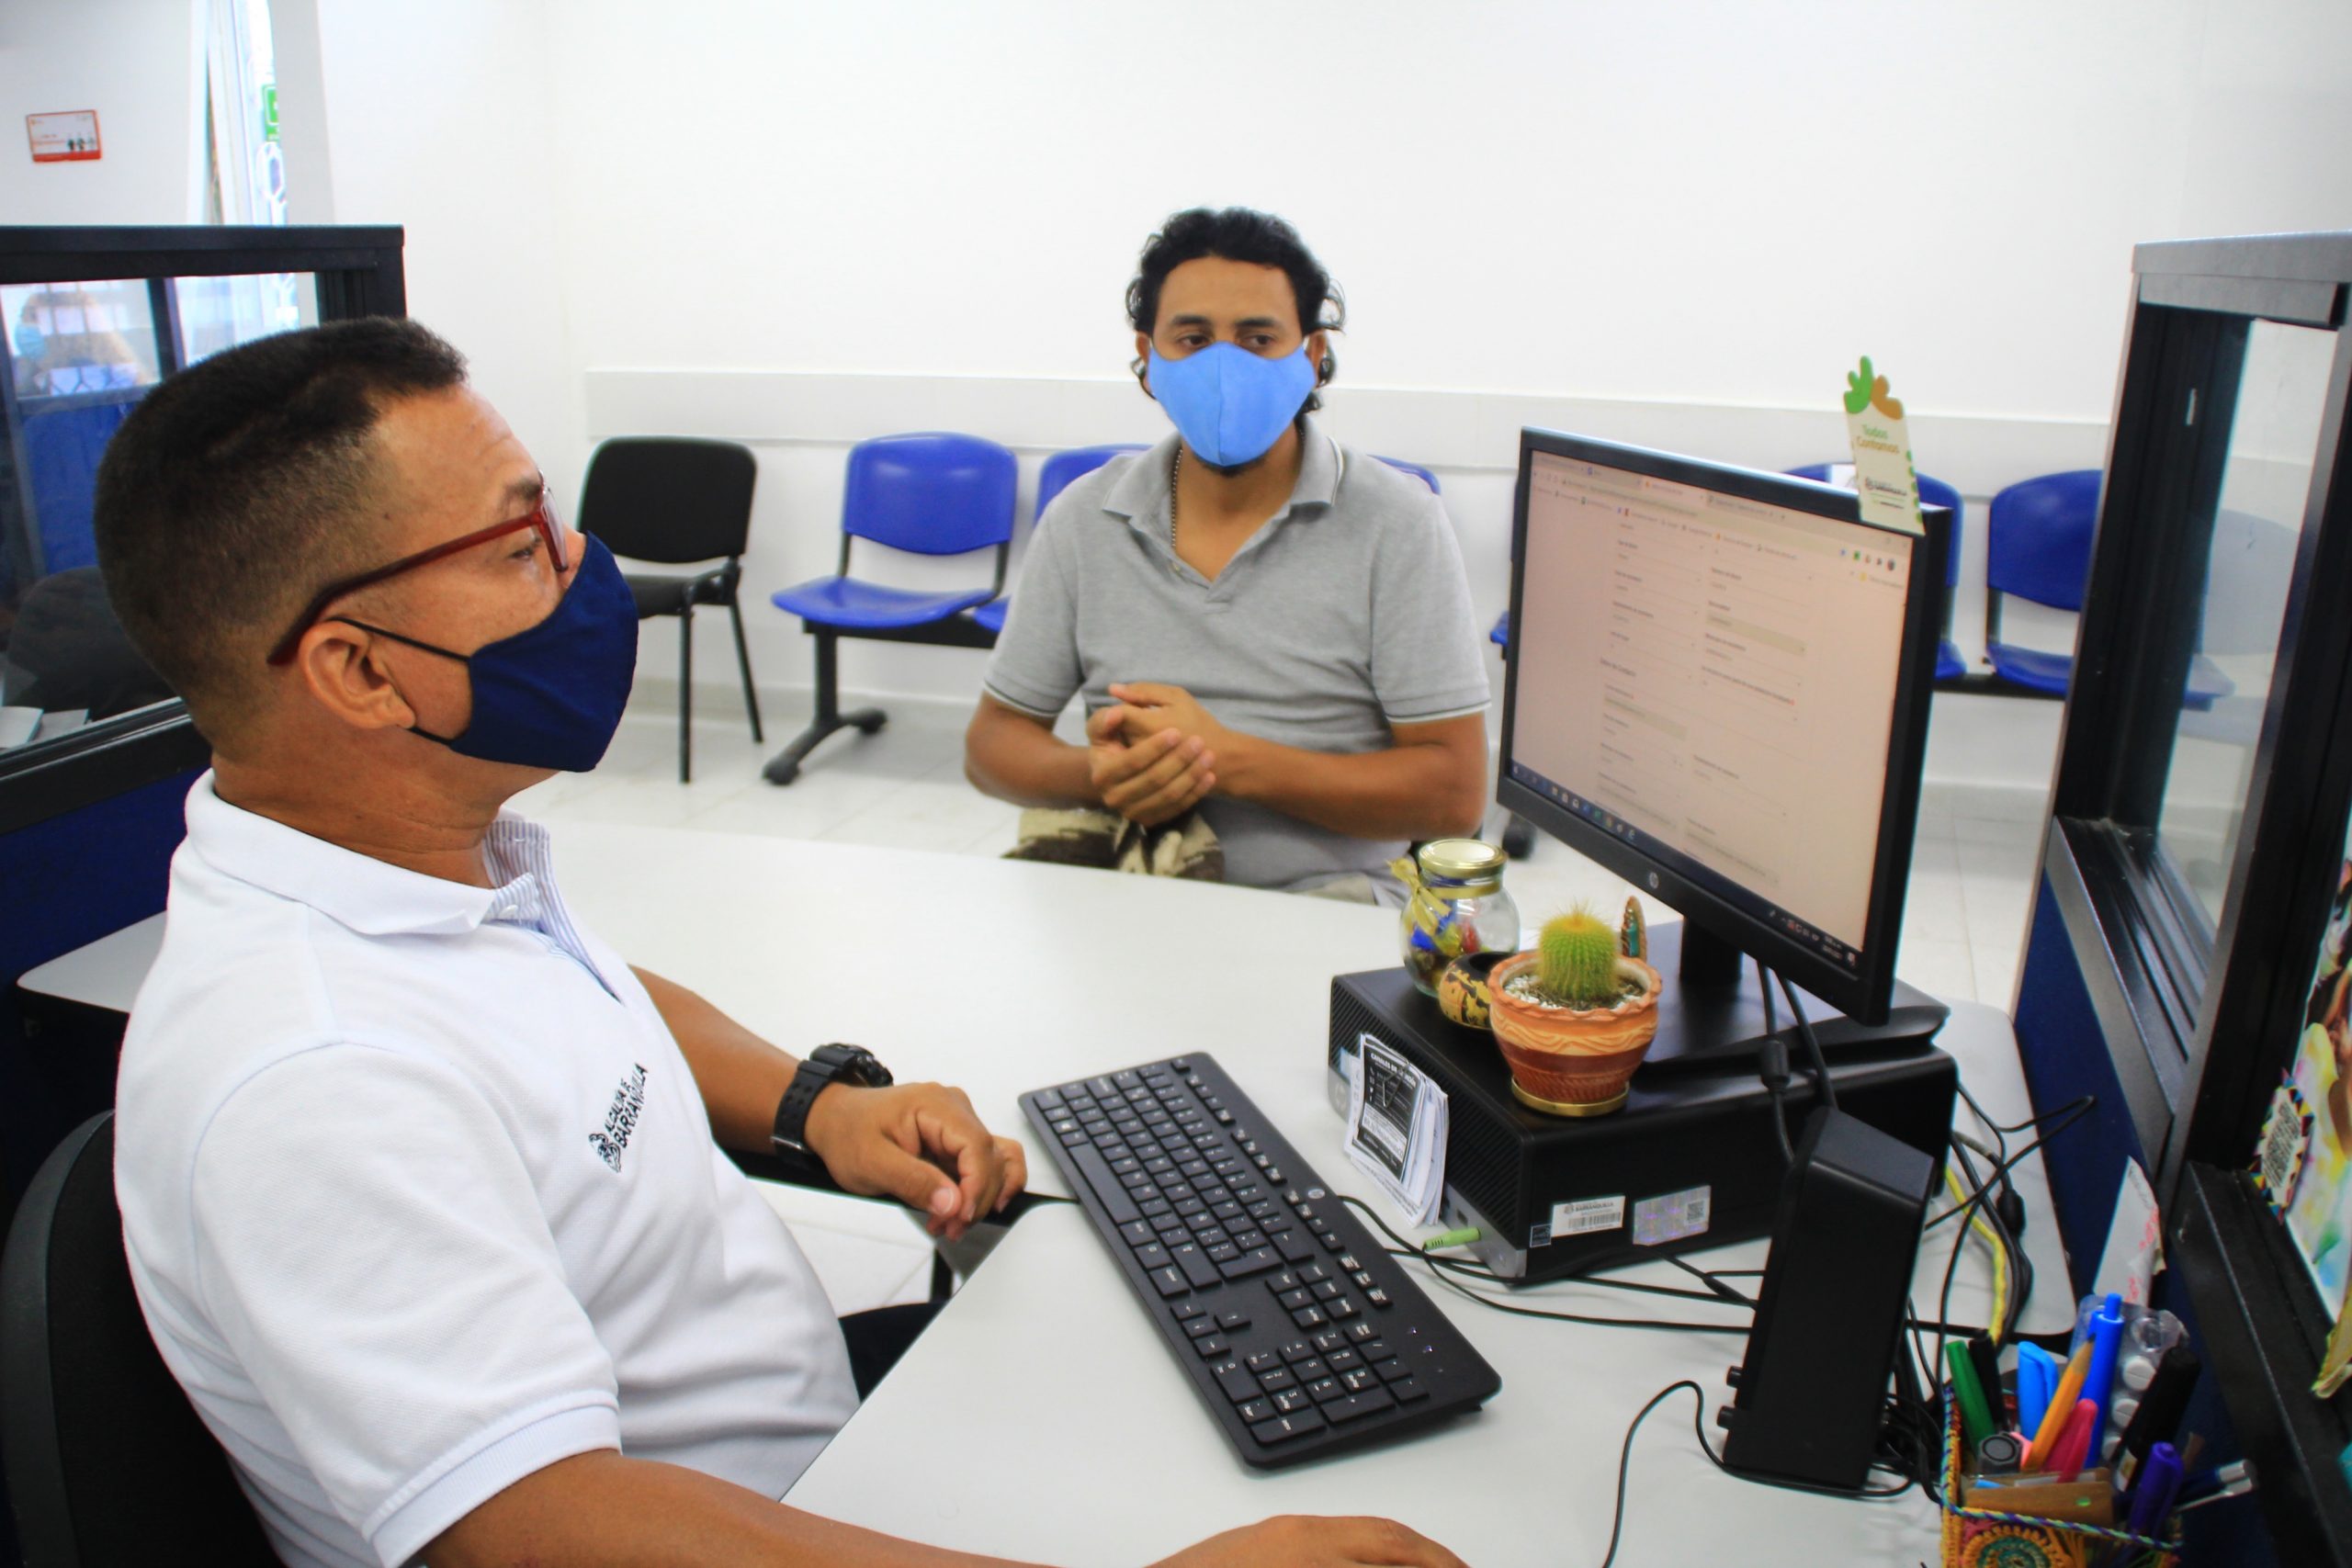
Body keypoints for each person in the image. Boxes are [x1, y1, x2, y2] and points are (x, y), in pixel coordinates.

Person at [95, 319, 1466, 1568]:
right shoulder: (310, 1070)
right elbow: (540, 1529)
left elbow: (589, 1016)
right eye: (522, 548)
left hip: (813, 1441)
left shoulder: (429, 863)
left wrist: (823, 1105)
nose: (586, 573)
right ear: (358, 668)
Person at [964, 208, 1490, 905]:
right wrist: (1107, 774)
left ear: (1311, 356)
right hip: (1135, 883)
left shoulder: (1397, 521)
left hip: (1328, 901)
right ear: (1149, 358)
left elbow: (1454, 792)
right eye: (1193, 337)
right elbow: (992, 747)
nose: (1223, 365)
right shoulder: (1085, 518)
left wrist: (1221, 759)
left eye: (1256, 337)